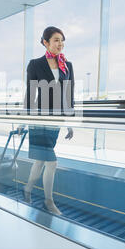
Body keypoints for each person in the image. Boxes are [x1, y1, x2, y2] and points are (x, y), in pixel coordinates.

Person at [18, 26, 75, 215]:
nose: (61, 44)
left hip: (55, 121)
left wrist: (69, 122)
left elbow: (69, 96)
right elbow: (30, 94)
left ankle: (27, 189)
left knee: (41, 161)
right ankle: (49, 202)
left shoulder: (67, 65)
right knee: (52, 162)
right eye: (56, 40)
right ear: (45, 42)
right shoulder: (35, 64)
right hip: (39, 119)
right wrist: (22, 121)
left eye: (62, 40)